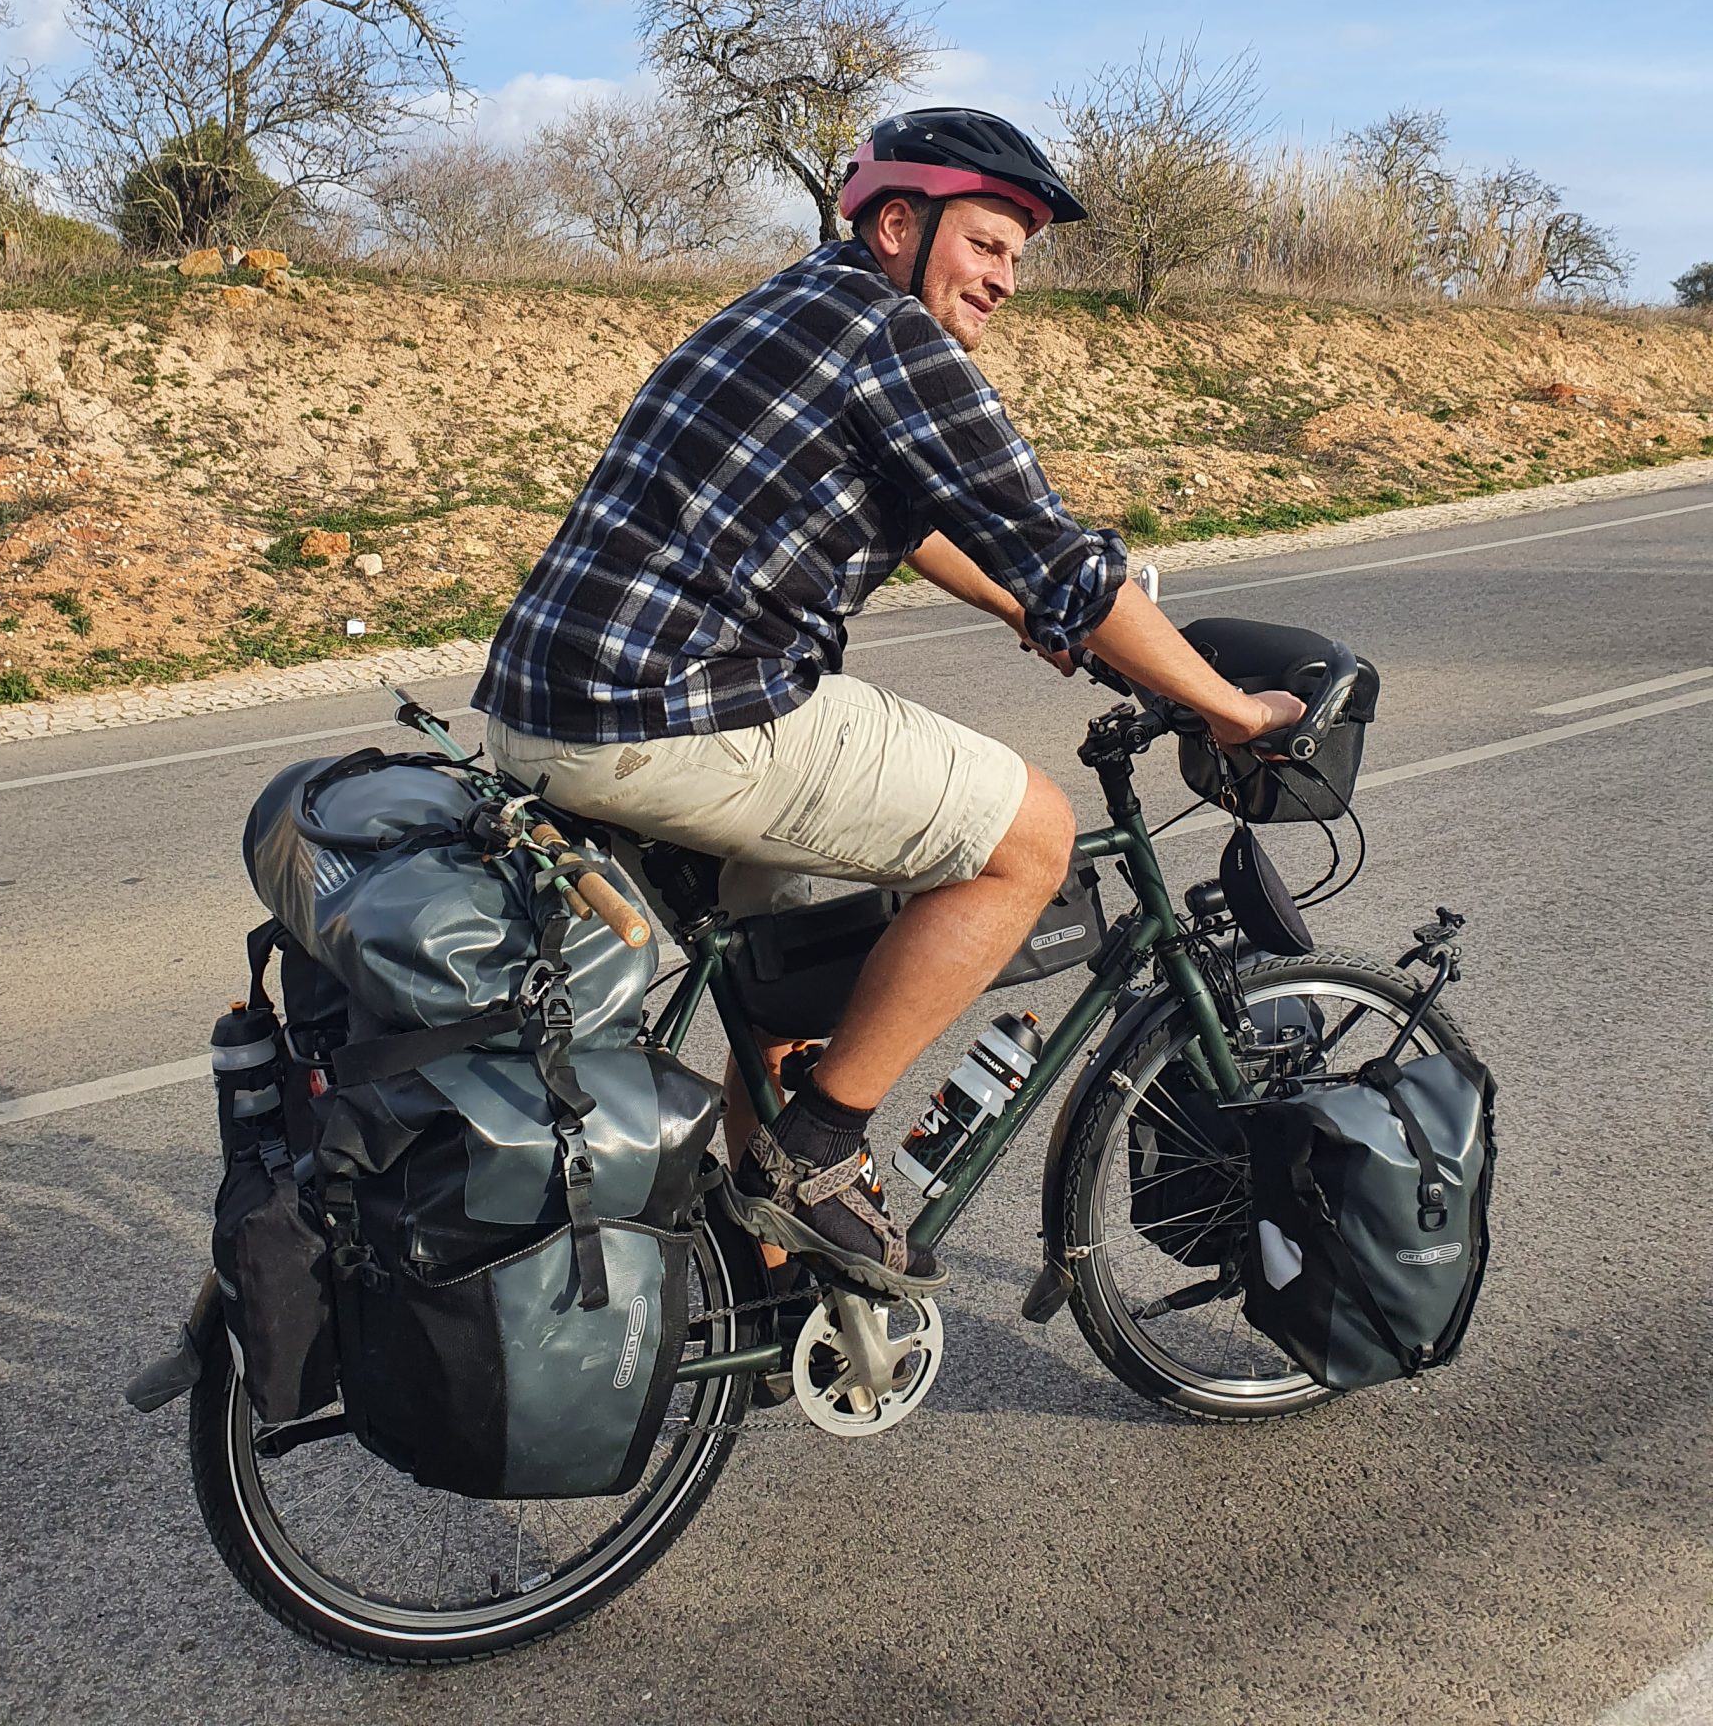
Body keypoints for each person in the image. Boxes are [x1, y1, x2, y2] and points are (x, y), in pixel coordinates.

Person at [477, 108, 1304, 1298]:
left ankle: (761, 1283)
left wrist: (1022, 611)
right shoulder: (894, 339)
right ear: (901, 224)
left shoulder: (791, 304)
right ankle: (813, 1157)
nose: (1007, 279)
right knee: (1032, 834)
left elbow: (923, 519)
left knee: (784, 975)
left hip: (549, 712)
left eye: (1018, 255)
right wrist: (1233, 710)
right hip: (678, 719)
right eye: (988, 244)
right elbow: (1069, 562)